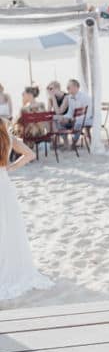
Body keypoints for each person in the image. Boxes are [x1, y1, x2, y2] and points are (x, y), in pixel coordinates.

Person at [0, 119, 52, 301]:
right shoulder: (7, 137)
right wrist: (9, 168)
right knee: (8, 229)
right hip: (4, 185)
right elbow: (30, 154)